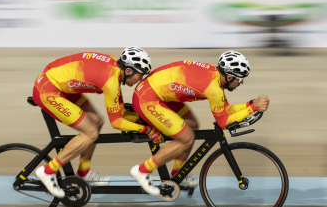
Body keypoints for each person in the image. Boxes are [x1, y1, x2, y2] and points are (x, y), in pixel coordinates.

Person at [130, 50, 270, 196]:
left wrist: (251, 103)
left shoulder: (215, 76)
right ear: (229, 76)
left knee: (193, 126)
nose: (241, 82)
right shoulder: (214, 89)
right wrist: (253, 108)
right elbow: (223, 122)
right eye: (240, 79)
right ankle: (142, 170)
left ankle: (177, 174)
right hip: (148, 98)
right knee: (187, 138)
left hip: (160, 92)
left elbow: (225, 109)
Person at [33, 47, 164, 198]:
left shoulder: (114, 69)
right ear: (128, 71)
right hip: (48, 90)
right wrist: (147, 130)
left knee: (97, 122)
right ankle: (47, 171)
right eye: (140, 75)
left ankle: (83, 172)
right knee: (90, 133)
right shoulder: (111, 82)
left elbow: (120, 111)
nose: (140, 80)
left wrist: (144, 119)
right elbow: (117, 122)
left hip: (59, 84)